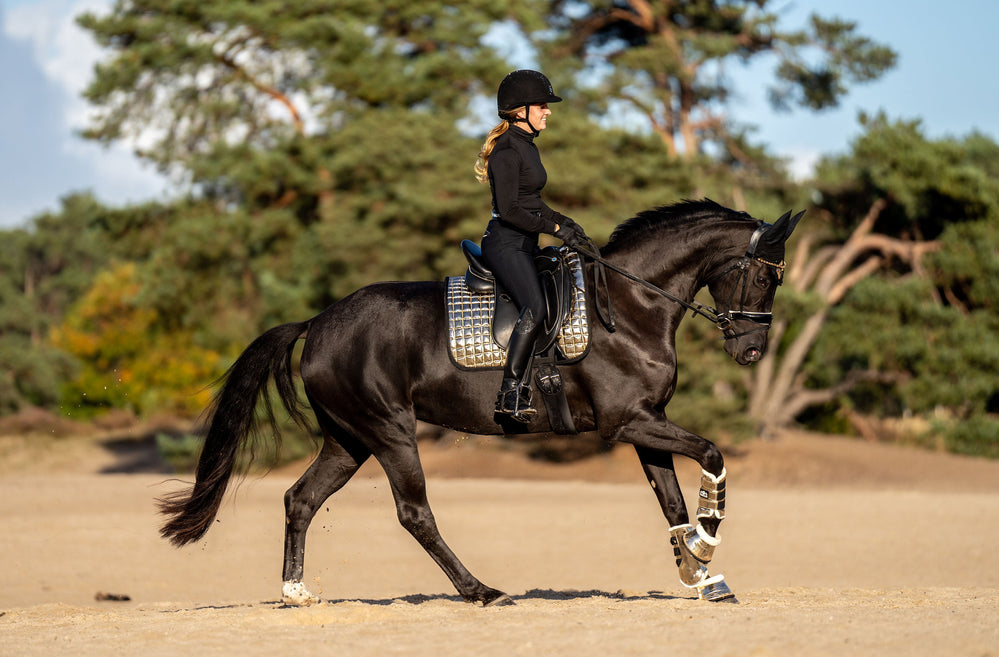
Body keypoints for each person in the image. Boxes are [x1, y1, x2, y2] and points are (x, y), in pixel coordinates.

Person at [473, 69, 591, 423]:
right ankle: (509, 391)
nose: (548, 111)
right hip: (506, 244)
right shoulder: (507, 150)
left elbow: (533, 203)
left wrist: (566, 222)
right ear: (520, 110)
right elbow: (510, 210)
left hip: (525, 242)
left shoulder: (527, 146)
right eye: (542, 105)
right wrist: (554, 228)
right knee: (536, 308)